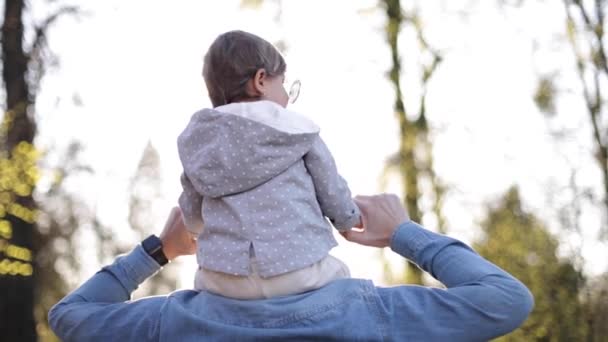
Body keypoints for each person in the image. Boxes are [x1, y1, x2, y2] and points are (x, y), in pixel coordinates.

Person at [49, 194, 534, 341]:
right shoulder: (370, 315)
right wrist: (401, 232)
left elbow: (70, 317)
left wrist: (159, 250)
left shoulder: (173, 323)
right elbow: (506, 300)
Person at [177, 30, 360, 299]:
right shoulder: (294, 128)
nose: (287, 96)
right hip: (298, 269)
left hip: (222, 279)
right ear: (261, 80)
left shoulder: (201, 141)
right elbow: (330, 188)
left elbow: (192, 210)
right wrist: (349, 218)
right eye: (284, 84)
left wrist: (194, 230)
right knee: (342, 281)